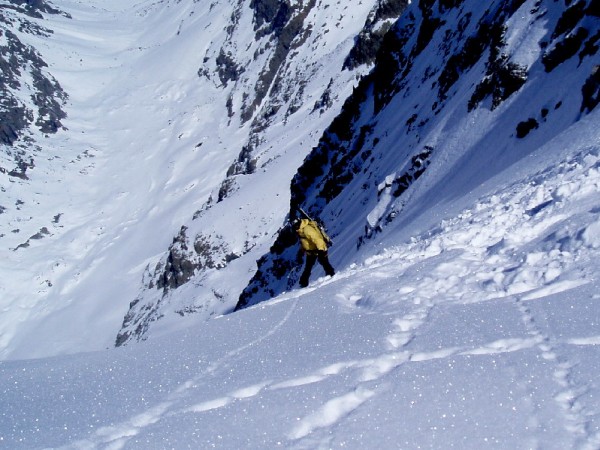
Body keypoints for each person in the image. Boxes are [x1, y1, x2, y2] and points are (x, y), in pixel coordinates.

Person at [293, 217, 335, 287]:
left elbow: (318, 239)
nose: (295, 227)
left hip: (319, 249)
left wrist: (321, 250)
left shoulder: (307, 230)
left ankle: (332, 275)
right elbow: (305, 242)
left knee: (324, 263)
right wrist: (301, 251)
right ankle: (303, 282)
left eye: (295, 225)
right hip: (311, 251)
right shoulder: (300, 230)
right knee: (308, 267)